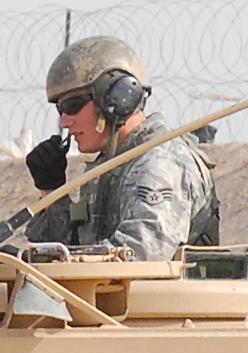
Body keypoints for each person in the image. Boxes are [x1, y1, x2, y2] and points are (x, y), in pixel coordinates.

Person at [24, 36, 219, 262]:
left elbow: (139, 254)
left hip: (158, 296)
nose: (64, 122)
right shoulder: (114, 163)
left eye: (72, 106)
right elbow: (78, 248)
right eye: (61, 110)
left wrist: (52, 260)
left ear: (116, 98)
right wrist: (52, 193)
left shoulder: (159, 162)